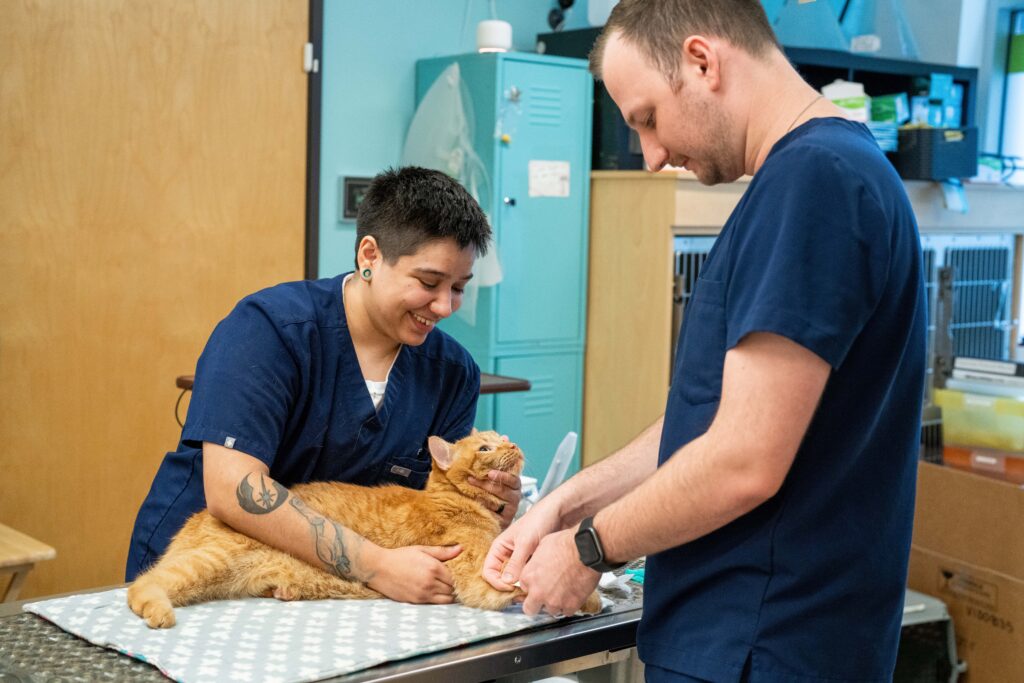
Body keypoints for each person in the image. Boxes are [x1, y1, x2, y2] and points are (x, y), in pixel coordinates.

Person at [483, 2, 926, 681]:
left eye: (649, 119)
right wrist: (565, 505)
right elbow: (710, 423)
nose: (653, 156)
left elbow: (743, 459)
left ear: (702, 61)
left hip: (763, 642)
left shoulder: (815, 182)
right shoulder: (821, 174)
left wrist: (590, 548)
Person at [127, 166, 522, 605]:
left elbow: (437, 508)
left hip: (322, 589)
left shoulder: (451, 373)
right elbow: (233, 490)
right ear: (369, 255)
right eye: (429, 283)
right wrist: (375, 564)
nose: (445, 306)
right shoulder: (268, 331)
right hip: (209, 574)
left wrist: (495, 505)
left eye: (459, 288)